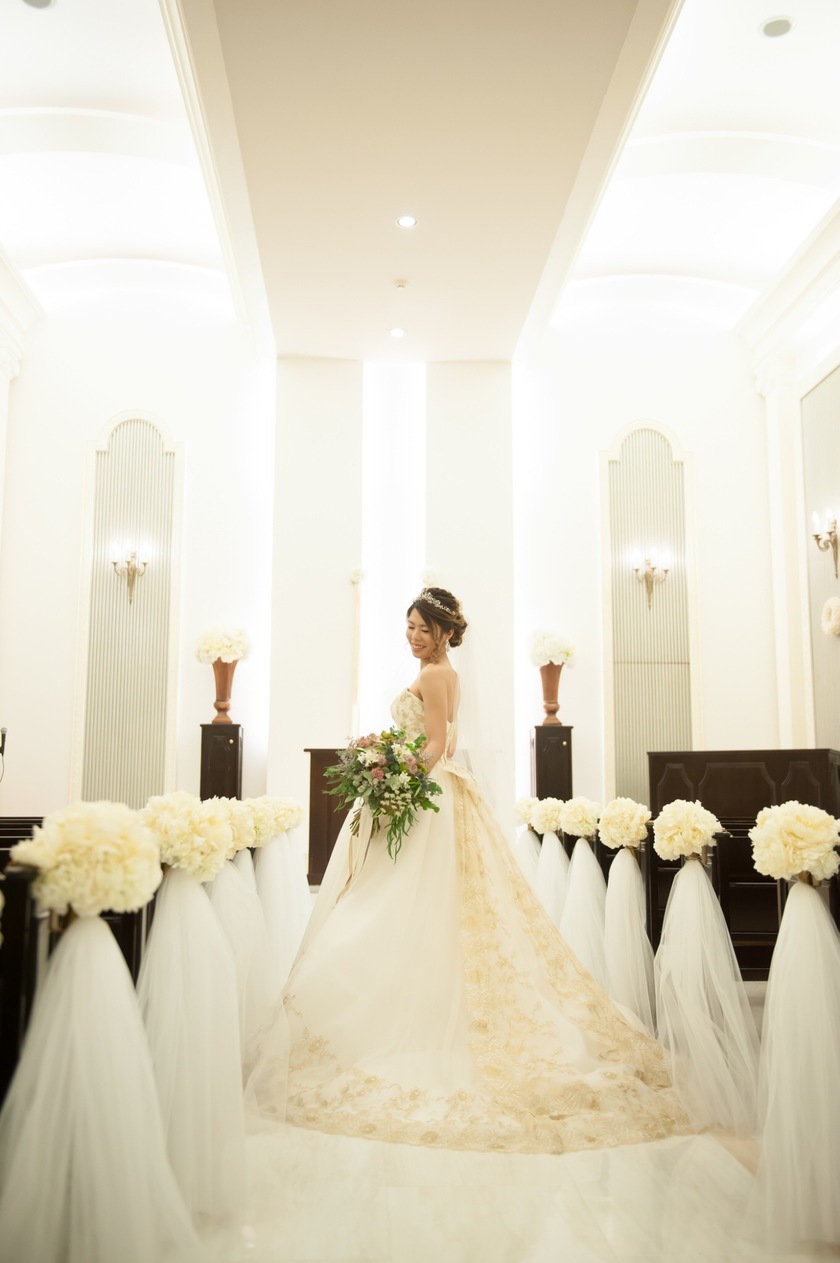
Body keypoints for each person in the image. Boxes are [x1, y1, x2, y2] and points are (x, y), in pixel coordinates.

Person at [248, 587, 691, 1154]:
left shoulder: (435, 677)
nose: (411, 636)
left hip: (426, 792)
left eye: (419, 629)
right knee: (417, 907)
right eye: (406, 627)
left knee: (395, 904)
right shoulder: (444, 674)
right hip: (437, 791)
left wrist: (393, 777)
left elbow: (435, 744)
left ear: (443, 631)